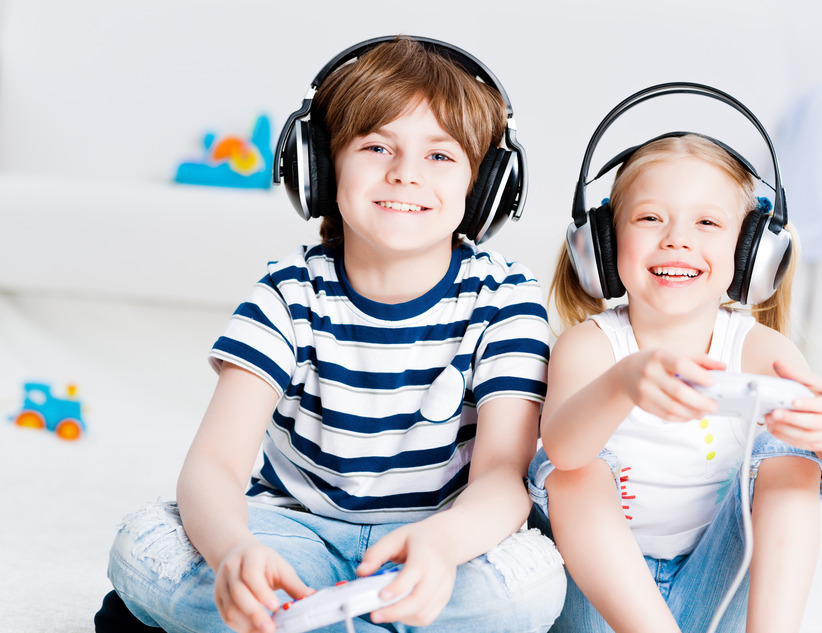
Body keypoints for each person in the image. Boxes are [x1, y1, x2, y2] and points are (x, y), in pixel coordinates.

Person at [97, 36, 566, 633]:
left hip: (439, 536)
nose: (404, 175)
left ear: (485, 186)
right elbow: (214, 463)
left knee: (529, 590)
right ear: (320, 168)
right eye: (376, 146)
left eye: (440, 157)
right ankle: (337, 619)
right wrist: (233, 553)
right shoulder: (287, 292)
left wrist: (443, 545)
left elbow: (502, 475)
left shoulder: (506, 301)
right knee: (139, 548)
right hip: (290, 531)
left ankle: (302, 623)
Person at [527, 132, 822, 633]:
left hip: (713, 593)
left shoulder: (757, 350)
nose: (676, 239)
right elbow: (559, 449)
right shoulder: (592, 346)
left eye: (707, 222)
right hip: (604, 605)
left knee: (791, 449)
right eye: (650, 218)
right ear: (602, 241)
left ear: (752, 251)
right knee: (575, 469)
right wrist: (623, 383)